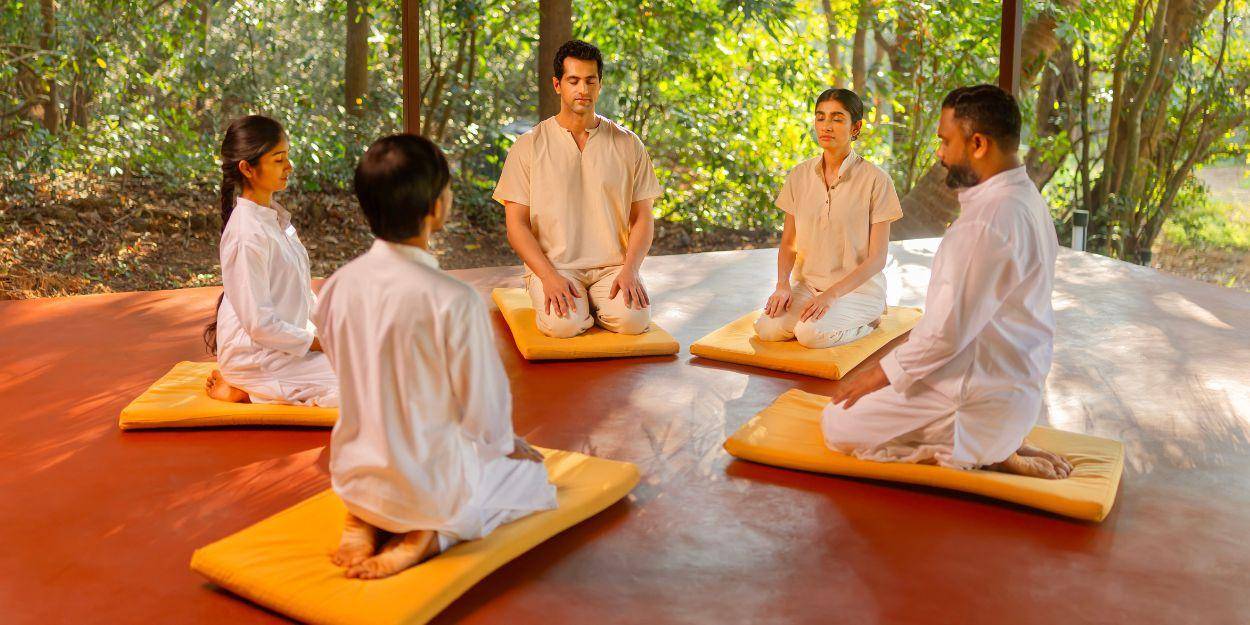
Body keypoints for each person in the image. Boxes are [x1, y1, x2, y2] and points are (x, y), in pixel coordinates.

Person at [315, 134, 557, 579]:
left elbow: (339, 363)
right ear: (435, 208)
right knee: (534, 482)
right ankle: (430, 537)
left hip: (355, 474)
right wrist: (505, 444)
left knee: (404, 456)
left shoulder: (338, 285)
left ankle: (366, 514)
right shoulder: (454, 298)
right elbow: (483, 407)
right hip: (429, 489)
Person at [821, 85, 1073, 480]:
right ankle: (998, 438)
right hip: (1009, 387)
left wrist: (876, 374)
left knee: (837, 422)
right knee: (889, 387)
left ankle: (984, 446)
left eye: (944, 140)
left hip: (979, 395)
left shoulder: (988, 222)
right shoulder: (1027, 201)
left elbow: (944, 337)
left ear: (977, 144)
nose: (939, 153)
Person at [494, 39, 662, 338]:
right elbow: (516, 225)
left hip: (612, 268)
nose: (582, 90)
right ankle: (582, 308)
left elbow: (643, 217)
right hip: (556, 267)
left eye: (590, 81)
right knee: (564, 325)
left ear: (599, 85)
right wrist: (547, 277)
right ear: (558, 84)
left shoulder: (628, 143)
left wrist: (631, 270)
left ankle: (595, 307)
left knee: (634, 321)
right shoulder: (529, 145)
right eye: (573, 81)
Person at [202, 115, 337, 407]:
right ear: (247, 168)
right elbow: (260, 326)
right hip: (258, 358)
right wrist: (318, 343)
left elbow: (299, 292)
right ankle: (247, 391)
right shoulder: (245, 234)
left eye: (287, 157)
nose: (289, 167)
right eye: (279, 159)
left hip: (286, 345)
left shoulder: (275, 219)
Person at [755, 88, 902, 348]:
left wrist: (832, 296)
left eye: (837, 118)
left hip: (859, 292)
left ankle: (869, 321)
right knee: (767, 329)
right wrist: (782, 285)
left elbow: (877, 259)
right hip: (809, 285)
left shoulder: (876, 181)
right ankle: (819, 314)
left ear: (855, 127)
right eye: (820, 117)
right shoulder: (799, 176)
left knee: (810, 334)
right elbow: (789, 243)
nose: (826, 126)